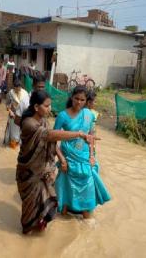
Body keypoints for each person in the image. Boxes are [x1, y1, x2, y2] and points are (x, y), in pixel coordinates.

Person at [16, 90, 93, 234]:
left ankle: (37, 240)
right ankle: (25, 237)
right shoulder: (29, 123)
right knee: (28, 214)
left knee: (47, 206)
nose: (50, 109)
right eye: (46, 106)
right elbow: (50, 136)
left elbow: (51, 144)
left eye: (50, 105)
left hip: (42, 171)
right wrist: (78, 134)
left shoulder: (44, 121)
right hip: (29, 173)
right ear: (36, 107)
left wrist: (51, 167)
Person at [54, 86, 110, 219]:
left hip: (84, 159)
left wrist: (91, 156)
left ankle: (85, 218)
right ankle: (63, 218)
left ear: (86, 101)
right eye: (76, 98)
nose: (79, 102)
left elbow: (90, 137)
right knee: (66, 192)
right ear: (71, 97)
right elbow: (53, 140)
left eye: (82, 100)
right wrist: (62, 159)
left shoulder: (88, 115)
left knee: (87, 191)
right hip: (68, 161)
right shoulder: (62, 116)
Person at [4, 80, 28, 149]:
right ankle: (12, 145)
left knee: (21, 131)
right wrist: (10, 111)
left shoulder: (25, 93)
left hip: (23, 115)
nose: (18, 89)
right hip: (13, 115)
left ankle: (20, 144)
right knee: (13, 131)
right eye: (16, 88)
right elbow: (7, 104)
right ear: (14, 87)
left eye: (19, 87)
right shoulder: (10, 94)